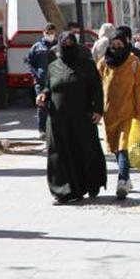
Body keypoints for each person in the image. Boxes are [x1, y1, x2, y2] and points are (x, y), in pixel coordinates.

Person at [37, 32, 106, 205]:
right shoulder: (53, 66)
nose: (67, 45)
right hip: (57, 119)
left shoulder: (87, 65)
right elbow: (48, 87)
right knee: (58, 154)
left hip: (81, 118)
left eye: (70, 42)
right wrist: (43, 95)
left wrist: (98, 110)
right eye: (64, 42)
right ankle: (63, 191)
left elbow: (97, 89)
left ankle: (87, 185)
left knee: (83, 151)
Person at [97, 29, 140, 200]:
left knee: (124, 146)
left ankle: (122, 180)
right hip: (109, 113)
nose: (116, 48)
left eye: (119, 45)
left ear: (125, 45)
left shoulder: (134, 62)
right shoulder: (104, 63)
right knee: (116, 148)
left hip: (129, 112)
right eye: (113, 45)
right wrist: (96, 110)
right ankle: (127, 178)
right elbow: (97, 88)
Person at [26, 23, 58, 139]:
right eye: (47, 33)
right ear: (43, 33)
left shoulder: (58, 46)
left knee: (56, 105)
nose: (50, 35)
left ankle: (55, 129)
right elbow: (30, 62)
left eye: (52, 32)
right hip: (41, 81)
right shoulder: (37, 47)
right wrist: (35, 75)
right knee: (42, 105)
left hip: (56, 80)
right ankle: (42, 130)